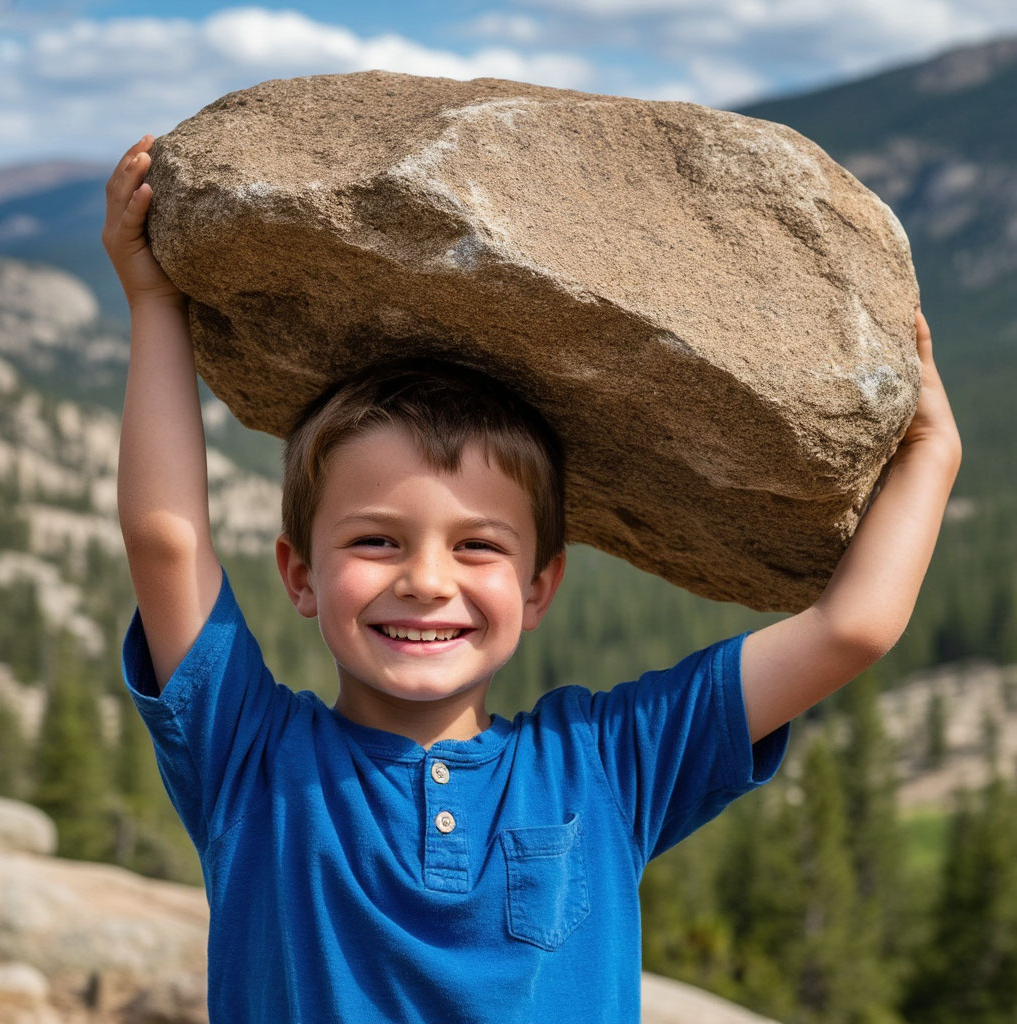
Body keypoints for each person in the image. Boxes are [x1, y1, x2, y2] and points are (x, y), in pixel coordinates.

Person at [102, 134, 962, 1023]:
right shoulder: (248, 755)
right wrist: (154, 303)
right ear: (300, 575)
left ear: (540, 587)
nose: (426, 581)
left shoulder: (609, 764)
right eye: (377, 542)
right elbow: (166, 540)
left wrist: (932, 454)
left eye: (477, 547)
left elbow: (851, 628)